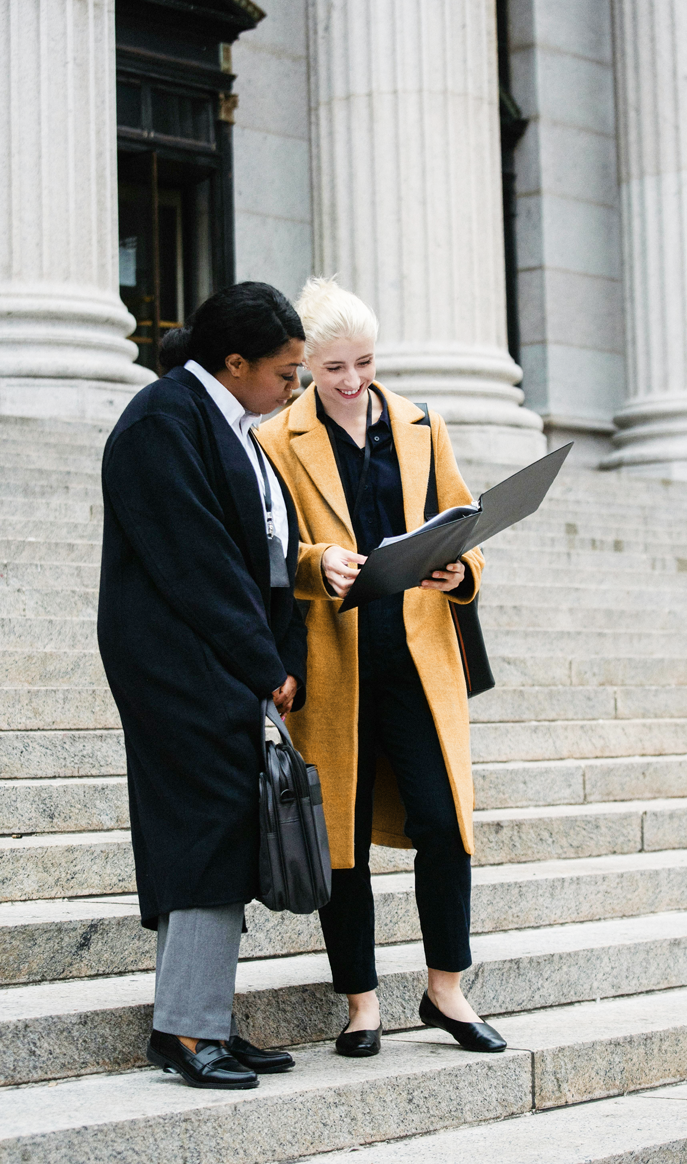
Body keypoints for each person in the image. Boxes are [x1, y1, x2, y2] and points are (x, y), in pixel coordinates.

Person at [257, 277, 506, 1057]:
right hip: (335, 668)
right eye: (333, 367)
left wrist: (460, 572)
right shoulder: (276, 439)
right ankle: (362, 1003)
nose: (353, 381)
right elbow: (264, 551)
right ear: (305, 364)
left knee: (446, 825)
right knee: (344, 839)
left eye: (364, 362)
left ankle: (446, 992)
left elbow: (467, 526)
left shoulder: (422, 424)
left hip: (419, 660)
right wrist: (314, 561)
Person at [98, 282, 308, 1089]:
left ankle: (197, 1020)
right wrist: (264, 661)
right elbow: (197, 563)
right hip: (176, 659)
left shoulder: (235, 427)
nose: (294, 388)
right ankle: (190, 1032)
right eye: (286, 374)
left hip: (218, 657)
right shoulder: (161, 419)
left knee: (218, 827)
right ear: (234, 362)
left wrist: (276, 654)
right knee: (206, 827)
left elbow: (267, 553)